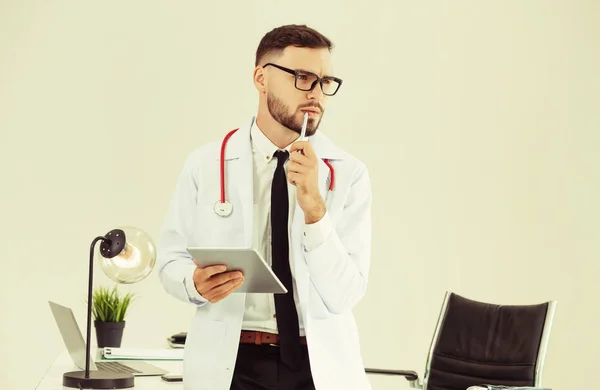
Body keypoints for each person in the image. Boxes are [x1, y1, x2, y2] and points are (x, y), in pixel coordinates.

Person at [156, 24, 373, 390]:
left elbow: (346, 295)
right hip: (233, 364)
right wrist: (194, 283)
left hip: (317, 367)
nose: (316, 94)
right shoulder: (206, 164)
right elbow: (169, 261)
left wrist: (316, 213)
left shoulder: (348, 173)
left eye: (325, 82)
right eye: (303, 78)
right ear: (261, 78)